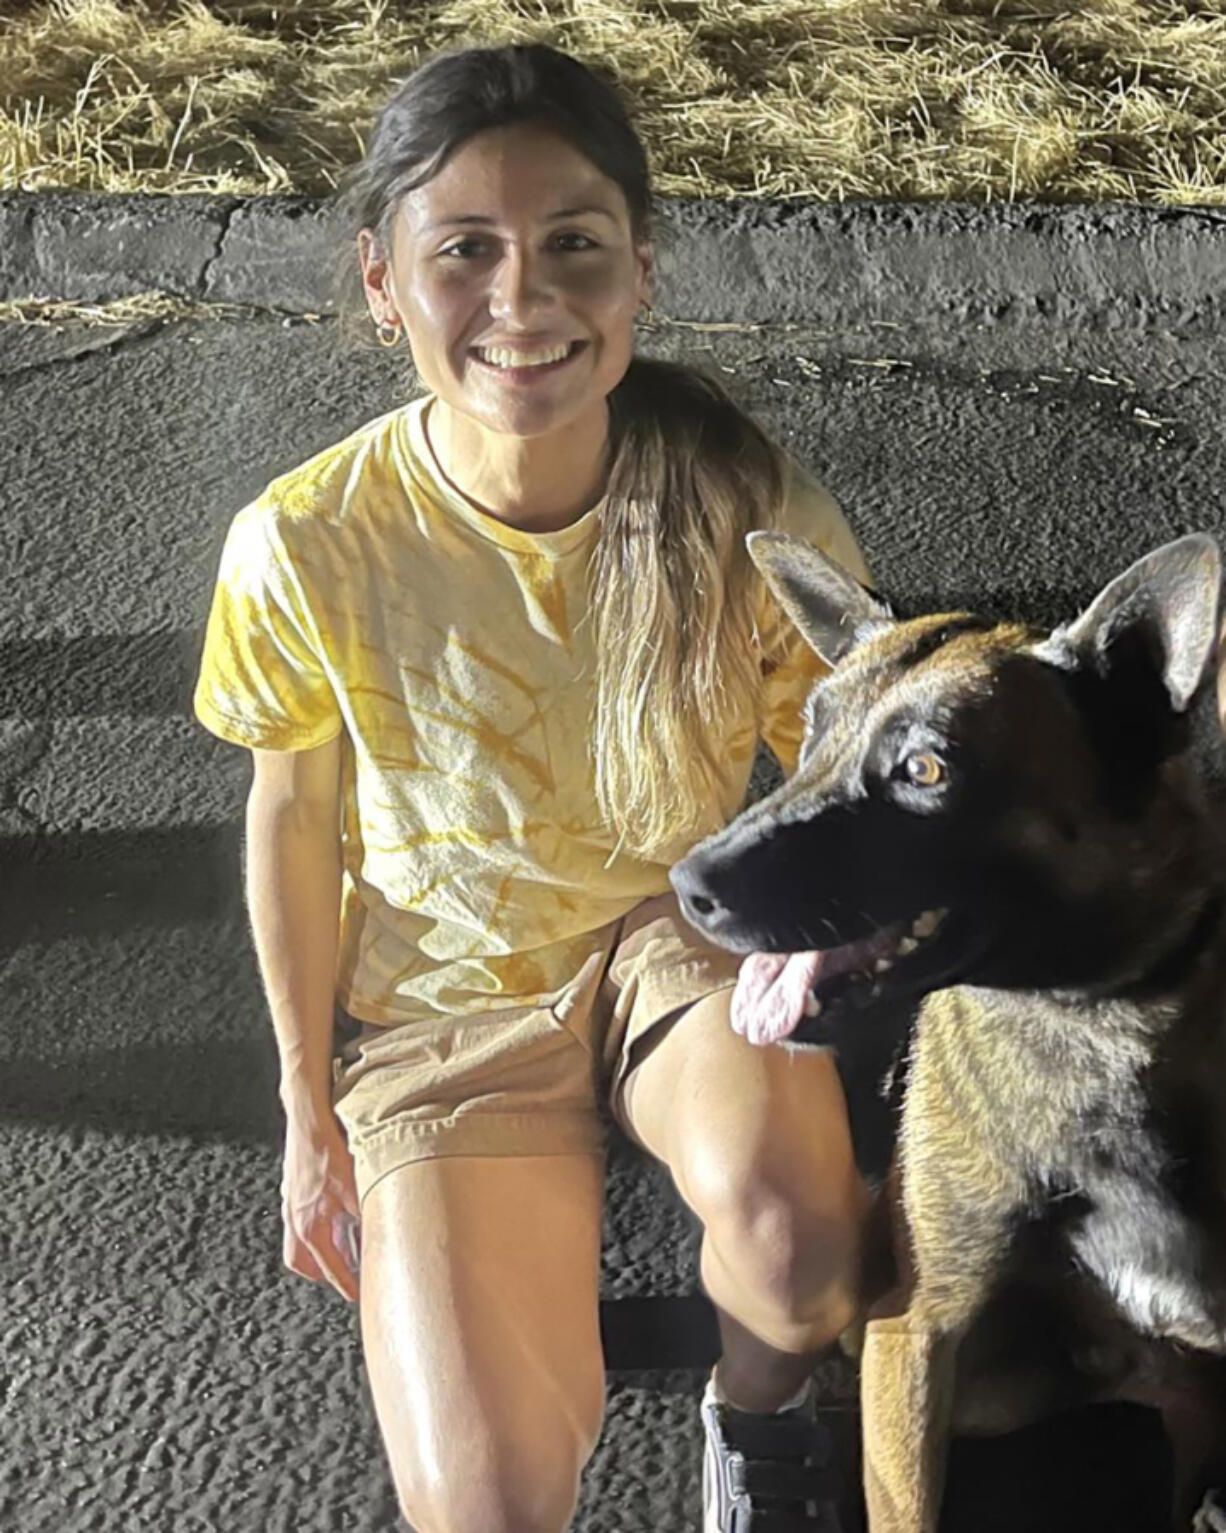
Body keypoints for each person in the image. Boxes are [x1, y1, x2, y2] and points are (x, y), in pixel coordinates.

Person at [193, 42, 873, 1533]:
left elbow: (834, 745)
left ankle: (757, 1432)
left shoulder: (739, 495)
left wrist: (827, 947)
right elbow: (294, 816)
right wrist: (310, 1108)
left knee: (803, 1239)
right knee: (484, 1507)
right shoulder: (303, 540)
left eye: (573, 243)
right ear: (381, 284)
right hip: (442, 1000)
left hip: (671, 928)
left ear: (640, 267)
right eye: (465, 253)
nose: (524, 300)